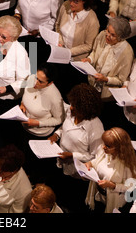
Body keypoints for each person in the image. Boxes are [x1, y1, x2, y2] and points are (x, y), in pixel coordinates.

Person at [48, 83, 104, 212]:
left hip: (78, 173)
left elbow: (95, 156)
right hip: (62, 161)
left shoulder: (95, 128)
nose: (71, 108)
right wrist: (56, 135)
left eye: (75, 106)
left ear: (86, 109)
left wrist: (73, 155)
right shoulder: (71, 111)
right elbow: (65, 127)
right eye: (72, 104)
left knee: (73, 200)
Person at [15, 0, 63, 66]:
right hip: (22, 32)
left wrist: (39, 31)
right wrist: (17, 16)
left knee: (31, 66)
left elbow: (56, 19)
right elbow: (21, 1)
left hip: (39, 39)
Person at [0, 16, 31, 117]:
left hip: (8, 100)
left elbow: (25, 80)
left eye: (4, 37)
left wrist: (6, 88)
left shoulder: (20, 54)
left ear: (13, 38)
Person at [84, 127, 136, 213]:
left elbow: (132, 188)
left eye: (108, 146)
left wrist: (112, 185)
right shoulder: (104, 153)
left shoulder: (127, 166)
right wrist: (89, 164)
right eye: (104, 143)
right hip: (98, 196)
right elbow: (97, 162)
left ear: (120, 147)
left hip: (114, 201)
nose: (103, 147)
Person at [81, 17, 134, 102]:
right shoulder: (102, 35)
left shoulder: (127, 53)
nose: (108, 36)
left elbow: (121, 80)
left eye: (113, 35)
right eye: (108, 31)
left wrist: (106, 79)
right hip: (91, 83)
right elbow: (94, 52)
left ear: (121, 38)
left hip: (106, 95)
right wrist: (89, 59)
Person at [20, 63, 65, 139]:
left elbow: (59, 119)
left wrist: (39, 123)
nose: (35, 82)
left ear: (50, 83)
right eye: (36, 77)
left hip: (39, 134)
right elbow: (26, 95)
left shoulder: (55, 98)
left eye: (40, 81)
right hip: (23, 127)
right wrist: (22, 104)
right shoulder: (31, 78)